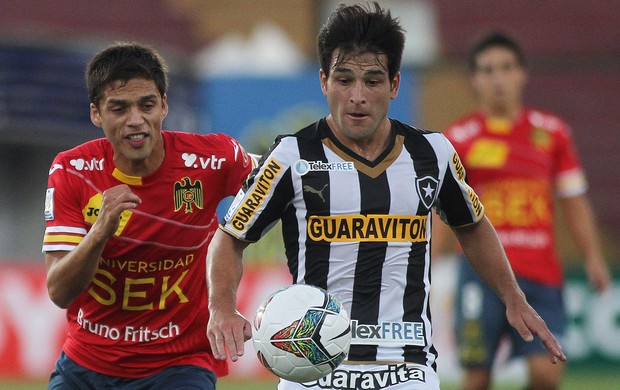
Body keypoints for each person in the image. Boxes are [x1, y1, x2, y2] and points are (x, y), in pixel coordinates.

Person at [205, 4, 566, 390]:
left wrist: (513, 297)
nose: (357, 96)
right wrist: (222, 306)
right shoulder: (292, 157)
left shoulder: (433, 154)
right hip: (314, 367)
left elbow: (473, 226)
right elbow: (230, 237)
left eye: (372, 81)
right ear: (324, 81)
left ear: (394, 85)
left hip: (407, 365)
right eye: (344, 80)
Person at [42, 42, 254, 389]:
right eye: (119, 108)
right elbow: (59, 291)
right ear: (97, 114)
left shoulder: (214, 160)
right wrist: (99, 231)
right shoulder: (72, 170)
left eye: (147, 105)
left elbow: (278, 180)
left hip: (180, 364)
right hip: (86, 365)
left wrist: (224, 302)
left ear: (164, 105)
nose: (135, 120)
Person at [435, 32, 611, 390]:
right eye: (486, 70)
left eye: (505, 68)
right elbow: (442, 211)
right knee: (476, 376)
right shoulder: (459, 138)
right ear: (474, 79)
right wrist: (429, 265)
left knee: (546, 373)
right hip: (479, 275)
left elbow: (573, 200)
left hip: (540, 273)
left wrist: (593, 257)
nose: (497, 78)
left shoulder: (552, 134)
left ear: (522, 73)